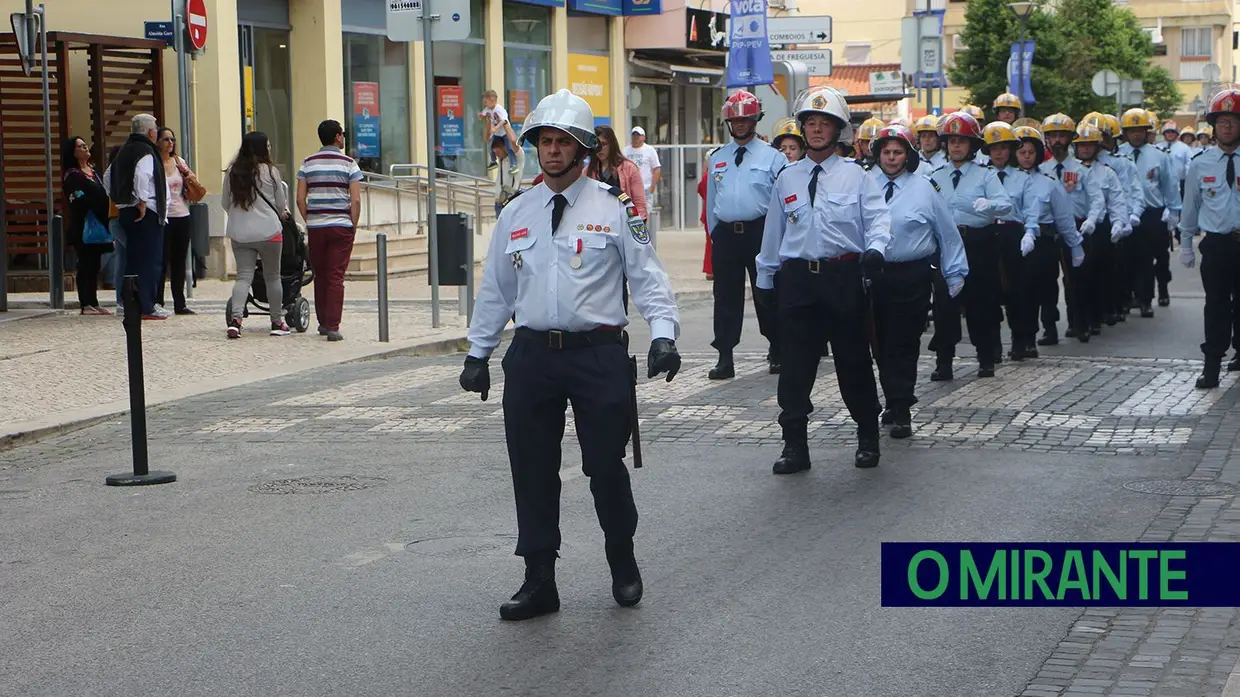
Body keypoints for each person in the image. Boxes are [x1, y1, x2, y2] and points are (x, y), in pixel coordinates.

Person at [459, 89, 682, 621]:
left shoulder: (614, 209)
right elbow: (497, 290)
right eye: (545, 141)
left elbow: (646, 278)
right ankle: (539, 579)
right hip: (533, 356)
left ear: (583, 150)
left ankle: (621, 559)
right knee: (532, 469)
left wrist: (664, 334)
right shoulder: (517, 212)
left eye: (563, 142)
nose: (552, 151)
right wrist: (478, 352)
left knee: (605, 463)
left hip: (597, 355)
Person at [755, 85, 891, 473]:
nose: (816, 130)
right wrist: (765, 279)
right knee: (796, 366)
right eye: (810, 123)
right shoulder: (788, 177)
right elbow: (774, 232)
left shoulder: (858, 177)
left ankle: (867, 434)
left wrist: (877, 248)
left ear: (838, 131)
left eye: (824, 124)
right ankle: (795, 445)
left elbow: (879, 219)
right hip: (799, 280)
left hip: (843, 277)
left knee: (853, 362)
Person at [869, 124, 966, 438]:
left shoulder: (925, 187)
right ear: (877, 154)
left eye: (898, 152)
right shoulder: (864, 184)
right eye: (887, 152)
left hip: (912, 275)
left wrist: (955, 273)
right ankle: (891, 397)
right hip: (874, 276)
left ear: (908, 156)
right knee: (881, 344)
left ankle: (901, 407)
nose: (892, 158)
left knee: (904, 342)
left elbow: (947, 234)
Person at [705, 90, 785, 377]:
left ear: (755, 121)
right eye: (735, 120)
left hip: (760, 232)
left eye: (746, 119)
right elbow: (712, 202)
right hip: (727, 234)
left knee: (767, 292)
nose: (740, 125)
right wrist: (716, 234)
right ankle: (725, 356)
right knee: (725, 297)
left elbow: (780, 202)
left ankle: (777, 348)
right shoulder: (717, 158)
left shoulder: (774, 158)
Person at [927, 112, 1013, 378]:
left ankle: (986, 357)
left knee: (981, 302)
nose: (955, 146)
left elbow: (1007, 205)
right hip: (947, 244)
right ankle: (944, 361)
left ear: (973, 145)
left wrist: (991, 206)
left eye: (962, 141)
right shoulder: (936, 175)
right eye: (951, 140)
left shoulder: (985, 175)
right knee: (944, 304)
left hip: (978, 242)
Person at [1179, 88, 1240, 389]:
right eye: (1222, 121)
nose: (1227, 127)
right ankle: (1212, 365)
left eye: (1233, 121)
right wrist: (1186, 243)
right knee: (1215, 305)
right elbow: (1191, 206)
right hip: (1216, 244)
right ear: (1214, 127)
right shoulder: (1200, 163)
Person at [1013, 125, 1087, 351]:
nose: (1026, 157)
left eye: (1031, 152)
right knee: (1019, 292)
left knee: (1044, 288)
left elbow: (1063, 217)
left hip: (1044, 242)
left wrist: (1075, 246)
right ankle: (1021, 338)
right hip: (1014, 240)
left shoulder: (1048, 182)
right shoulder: (1005, 180)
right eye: (1021, 152)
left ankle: (1048, 327)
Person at [1039, 113, 1106, 343]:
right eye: (1052, 136)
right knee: (1046, 281)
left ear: (1070, 139)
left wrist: (1091, 220)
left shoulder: (1081, 170)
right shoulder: (1041, 169)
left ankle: (1080, 323)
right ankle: (1049, 327)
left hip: (1077, 227)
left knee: (1078, 279)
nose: (1057, 140)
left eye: (1062, 136)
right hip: (1048, 229)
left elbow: (1097, 199)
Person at [297, 119, 363, 342]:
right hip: (341, 225)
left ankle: (323, 322)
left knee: (321, 274)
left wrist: (310, 218)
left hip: (317, 226)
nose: (344, 137)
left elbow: (299, 198)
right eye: (342, 134)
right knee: (336, 276)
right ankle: (333, 326)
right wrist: (352, 224)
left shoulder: (307, 163)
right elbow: (355, 199)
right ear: (337, 137)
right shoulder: (349, 164)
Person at [981, 121, 1042, 361]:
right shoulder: (980, 176)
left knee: (1018, 292)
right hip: (986, 234)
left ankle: (1021, 339)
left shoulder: (1022, 178)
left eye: (1004, 147)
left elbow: (1031, 209)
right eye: (994, 147)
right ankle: (992, 344)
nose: (999, 152)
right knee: (988, 292)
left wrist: (1030, 233)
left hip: (1013, 234)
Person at [222, 131, 291, 338]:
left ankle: (236, 321)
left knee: (243, 277)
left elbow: (225, 203)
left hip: (240, 233)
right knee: (272, 277)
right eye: (268, 146)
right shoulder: (270, 172)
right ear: (263, 149)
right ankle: (277, 322)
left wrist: (240, 217)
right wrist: (282, 214)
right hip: (269, 231)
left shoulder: (233, 171)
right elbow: (280, 204)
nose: (270, 149)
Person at [1071, 123, 1131, 338]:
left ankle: (1095, 318)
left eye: (1089, 145)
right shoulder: (1070, 171)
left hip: (1100, 229)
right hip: (1076, 226)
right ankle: (1076, 320)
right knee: (1074, 277)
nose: (1085, 149)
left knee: (1098, 274)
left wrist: (1118, 223)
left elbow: (1116, 200)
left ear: (1097, 148)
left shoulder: (1107, 173)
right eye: (1081, 145)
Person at [106, 113, 168, 321]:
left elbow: (108, 176)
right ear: (151, 132)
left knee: (132, 259)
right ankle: (147, 306)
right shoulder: (146, 151)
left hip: (125, 210)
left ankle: (129, 302)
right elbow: (142, 175)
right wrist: (141, 200)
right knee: (150, 260)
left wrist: (118, 198)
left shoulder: (124, 150)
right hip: (146, 211)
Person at [1120, 108, 1181, 316]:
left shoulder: (1159, 156)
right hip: (1126, 213)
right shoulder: (1119, 155)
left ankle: (1147, 298)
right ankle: (1128, 296)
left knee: (1148, 257)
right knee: (1126, 257)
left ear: (1147, 132)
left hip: (1152, 213)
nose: (1136, 134)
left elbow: (1170, 184)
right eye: (1132, 130)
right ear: (1125, 133)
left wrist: (1173, 211)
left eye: (1140, 130)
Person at [1087, 113, 1145, 324]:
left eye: (1103, 137)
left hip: (1114, 221)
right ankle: (1094, 310)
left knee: (1115, 267)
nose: (1100, 143)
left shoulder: (1121, 164)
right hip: (1091, 221)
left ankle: (1115, 305)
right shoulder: (1080, 164)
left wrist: (1128, 218)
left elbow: (1128, 193)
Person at [61, 136, 114, 316]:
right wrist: (96, 203)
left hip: (99, 222)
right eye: (81, 146)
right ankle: (85, 303)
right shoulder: (72, 175)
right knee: (85, 264)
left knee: (95, 265)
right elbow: (79, 200)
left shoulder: (93, 171)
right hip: (83, 224)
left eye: (85, 145)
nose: (85, 148)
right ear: (73, 152)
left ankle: (94, 301)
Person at [154, 127, 201, 315]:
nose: (170, 143)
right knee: (162, 260)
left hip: (182, 215)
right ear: (157, 141)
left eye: (172, 139)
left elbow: (193, 179)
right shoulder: (154, 163)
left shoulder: (178, 161)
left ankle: (179, 303)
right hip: (163, 217)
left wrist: (189, 177)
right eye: (165, 139)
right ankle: (158, 300)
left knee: (179, 261)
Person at [587, 125, 647, 220]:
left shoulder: (629, 168)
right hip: (597, 225)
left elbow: (640, 204)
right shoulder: (588, 171)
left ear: (612, 144)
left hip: (623, 223)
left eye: (604, 143)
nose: (600, 148)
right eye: (596, 144)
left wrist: (636, 226)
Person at [480, 89, 519, 173]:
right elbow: (482, 115)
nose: (485, 104)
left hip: (504, 133)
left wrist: (495, 128)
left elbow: (504, 121)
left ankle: (514, 165)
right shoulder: (487, 109)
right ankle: (493, 161)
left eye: (486, 102)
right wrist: (481, 116)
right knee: (490, 146)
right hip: (497, 134)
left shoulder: (499, 109)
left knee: (509, 148)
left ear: (493, 101)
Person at [623, 127, 662, 203]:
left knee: (644, 213)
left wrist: (652, 187)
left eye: (638, 135)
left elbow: (656, 169)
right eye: (634, 135)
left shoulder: (650, 150)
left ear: (643, 137)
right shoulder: (625, 151)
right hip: (629, 189)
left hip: (645, 188)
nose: (636, 137)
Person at [491, 135, 525, 217]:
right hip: (499, 203)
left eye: (498, 152)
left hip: (511, 201)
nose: (497, 155)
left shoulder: (517, 159)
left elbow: (513, 141)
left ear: (505, 147)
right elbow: (487, 137)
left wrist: (505, 123)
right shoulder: (501, 159)